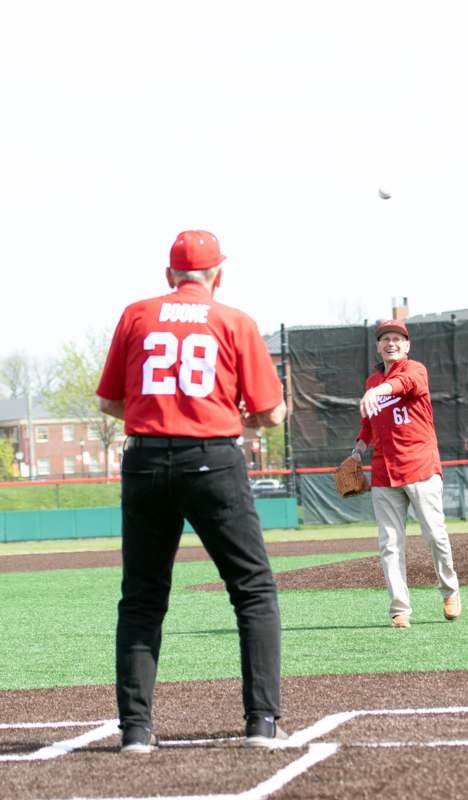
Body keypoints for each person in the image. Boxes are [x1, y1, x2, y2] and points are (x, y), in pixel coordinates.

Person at [97, 229, 287, 752]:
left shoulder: (137, 314)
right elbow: (270, 412)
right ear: (217, 275)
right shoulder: (233, 320)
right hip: (213, 461)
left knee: (141, 596)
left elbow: (110, 402)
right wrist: (244, 415)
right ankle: (261, 724)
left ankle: (136, 731)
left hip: (146, 461)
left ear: (169, 275)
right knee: (252, 590)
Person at [350, 319, 460, 629]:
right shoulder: (372, 382)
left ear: (407, 345)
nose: (391, 343)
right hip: (384, 471)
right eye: (385, 338)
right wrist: (358, 451)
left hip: (420, 466)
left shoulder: (416, 370)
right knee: (389, 543)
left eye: (398, 338)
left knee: (435, 535)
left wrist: (380, 389)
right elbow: (369, 425)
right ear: (378, 346)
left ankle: (450, 591)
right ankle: (400, 609)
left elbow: (405, 385)